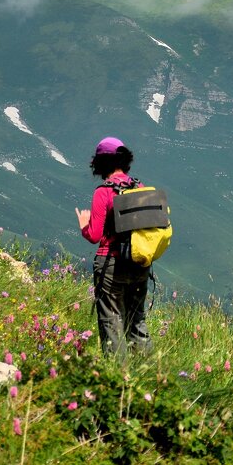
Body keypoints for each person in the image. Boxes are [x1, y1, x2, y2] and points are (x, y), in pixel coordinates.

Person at [76, 136, 151, 357]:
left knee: (111, 323)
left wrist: (83, 225)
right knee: (137, 320)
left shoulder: (103, 192)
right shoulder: (141, 187)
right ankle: (149, 376)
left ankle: (117, 381)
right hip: (139, 263)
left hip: (110, 264)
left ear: (100, 163)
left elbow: (95, 235)